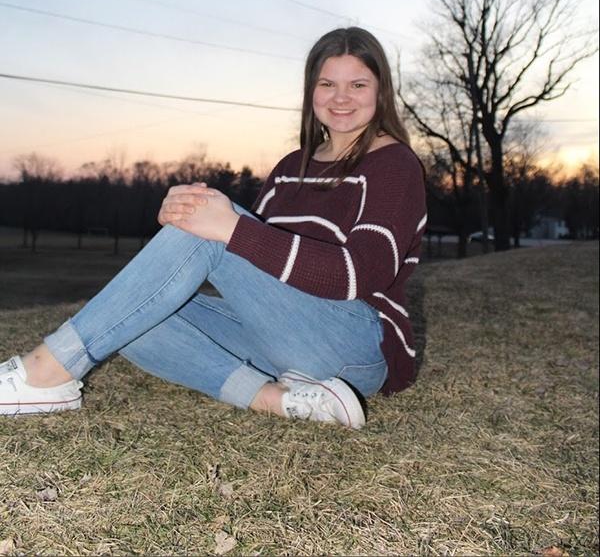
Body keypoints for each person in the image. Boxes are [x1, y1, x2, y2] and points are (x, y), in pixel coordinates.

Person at [1, 27, 427, 428]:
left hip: (353, 347)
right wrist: (180, 217)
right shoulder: (289, 169)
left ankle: (47, 372)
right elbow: (253, 269)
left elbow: (360, 273)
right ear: (310, 91)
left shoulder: (393, 164)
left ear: (380, 91)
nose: (341, 98)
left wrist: (223, 228)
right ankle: (281, 400)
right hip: (282, 345)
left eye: (358, 84)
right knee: (133, 316)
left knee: (211, 229)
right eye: (327, 84)